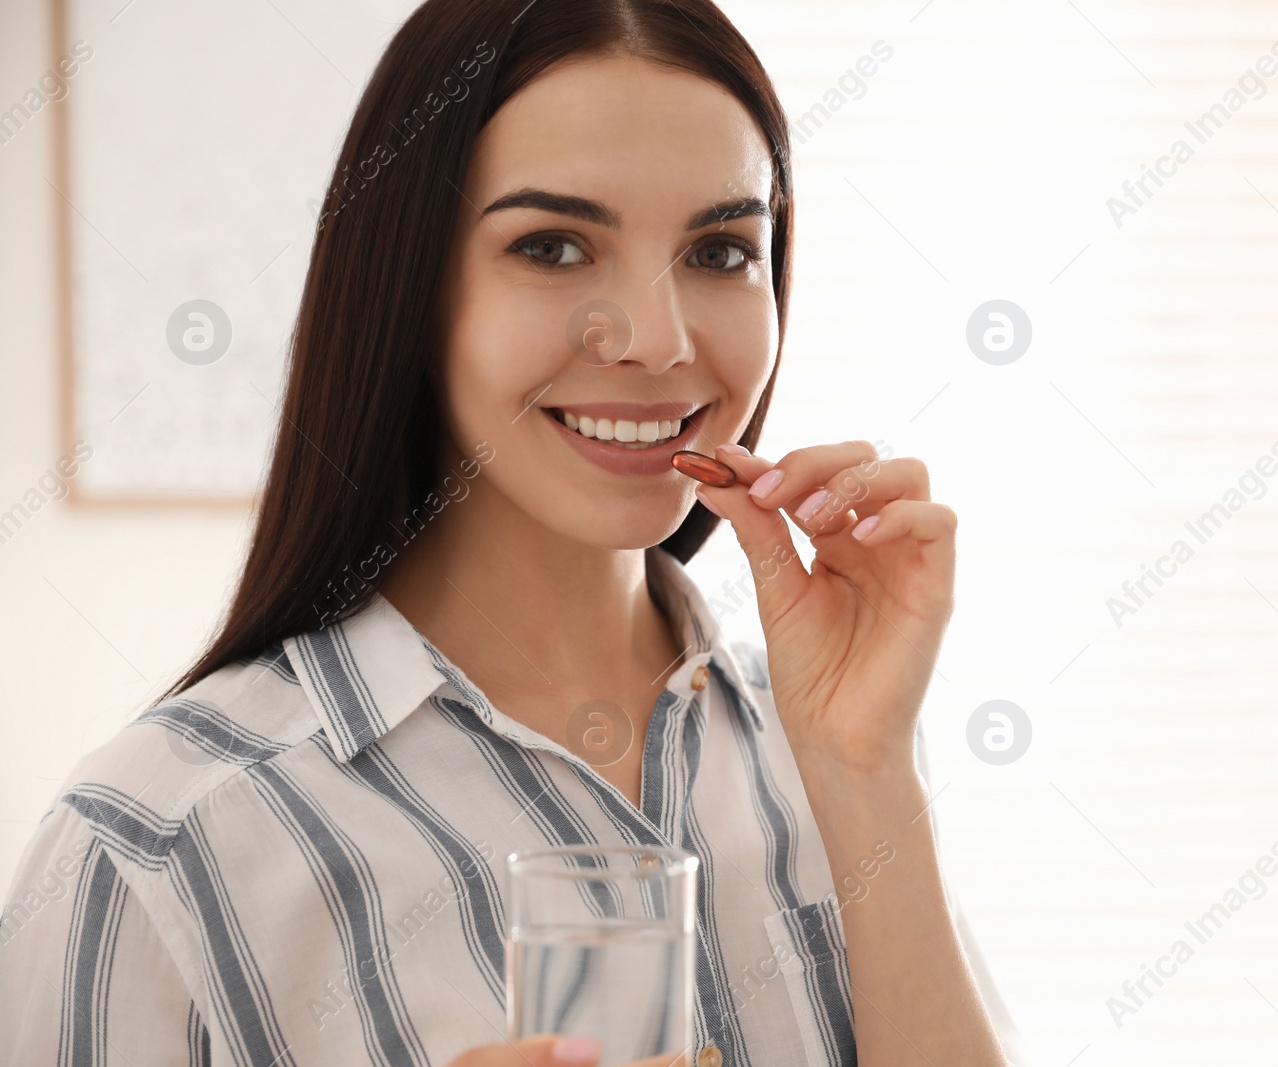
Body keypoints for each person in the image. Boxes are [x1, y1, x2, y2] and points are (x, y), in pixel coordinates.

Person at [0, 1, 1027, 1063]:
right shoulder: (155, 845)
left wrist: (865, 769)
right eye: (552, 245)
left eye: (720, 251)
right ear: (412, 285)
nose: (655, 339)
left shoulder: (826, 750)